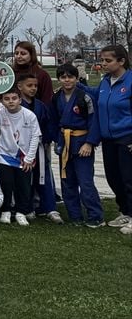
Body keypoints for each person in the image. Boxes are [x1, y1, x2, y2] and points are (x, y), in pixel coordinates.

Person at [52, 64, 103, 227]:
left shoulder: (85, 96)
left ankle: (96, 216)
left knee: (85, 181)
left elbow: (94, 121)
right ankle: (75, 216)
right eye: (63, 77)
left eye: (70, 77)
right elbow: (53, 121)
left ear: (76, 78)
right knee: (67, 181)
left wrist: (89, 143)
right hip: (65, 143)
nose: (67, 80)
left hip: (82, 142)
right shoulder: (56, 97)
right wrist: (57, 140)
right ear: (59, 79)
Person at [0, 86, 41, 226]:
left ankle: (21, 212)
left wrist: (29, 158)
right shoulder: (0, 112)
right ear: (2, 101)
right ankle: (6, 211)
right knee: (6, 184)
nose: (10, 102)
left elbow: (35, 137)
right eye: (7, 99)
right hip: (6, 155)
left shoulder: (29, 115)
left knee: (24, 185)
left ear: (20, 100)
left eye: (14, 98)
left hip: (24, 156)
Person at [93, 44, 132, 234]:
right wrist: (76, 85)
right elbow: (97, 97)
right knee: (113, 177)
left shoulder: (130, 81)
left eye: (108, 60)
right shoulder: (105, 82)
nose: (104, 64)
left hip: (127, 137)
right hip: (108, 139)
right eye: (102, 60)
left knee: (129, 178)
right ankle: (125, 211)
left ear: (121, 61)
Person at [17, 73, 61, 223]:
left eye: (35, 86)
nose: (33, 88)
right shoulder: (15, 105)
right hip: (21, 149)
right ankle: (27, 208)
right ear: (20, 87)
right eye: (29, 85)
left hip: (39, 147)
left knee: (43, 176)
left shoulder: (41, 105)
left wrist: (48, 139)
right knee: (25, 178)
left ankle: (49, 208)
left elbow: (48, 124)